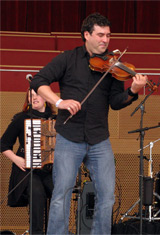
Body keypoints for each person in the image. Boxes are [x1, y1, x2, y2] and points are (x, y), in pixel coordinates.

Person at [30, 13, 148, 234]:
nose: (105, 40)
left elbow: (115, 102)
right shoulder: (68, 58)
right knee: (61, 194)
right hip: (69, 136)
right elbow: (39, 81)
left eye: (108, 36)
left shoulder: (112, 67)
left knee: (107, 196)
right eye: (100, 35)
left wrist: (132, 91)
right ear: (87, 34)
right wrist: (59, 101)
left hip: (99, 138)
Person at [1, 89, 55, 234]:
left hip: (50, 171)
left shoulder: (57, 120)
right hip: (27, 171)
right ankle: (36, 232)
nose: (34, 98)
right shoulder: (21, 119)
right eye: (31, 96)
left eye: (37, 94)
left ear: (46, 97)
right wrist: (16, 159)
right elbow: (3, 144)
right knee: (36, 193)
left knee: (59, 193)